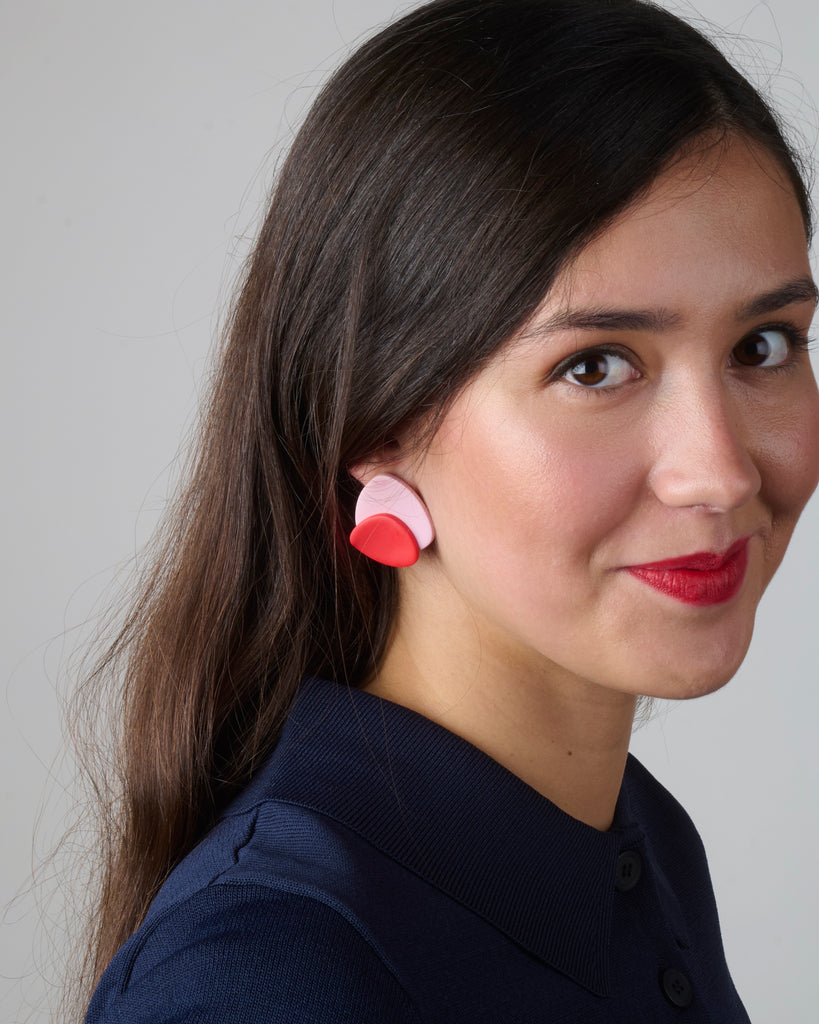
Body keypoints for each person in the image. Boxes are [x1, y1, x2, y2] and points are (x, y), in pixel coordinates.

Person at [80, 0, 819, 1020]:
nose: (721, 474)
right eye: (595, 366)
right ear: (377, 420)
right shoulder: (266, 975)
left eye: (762, 346)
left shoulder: (635, 843)